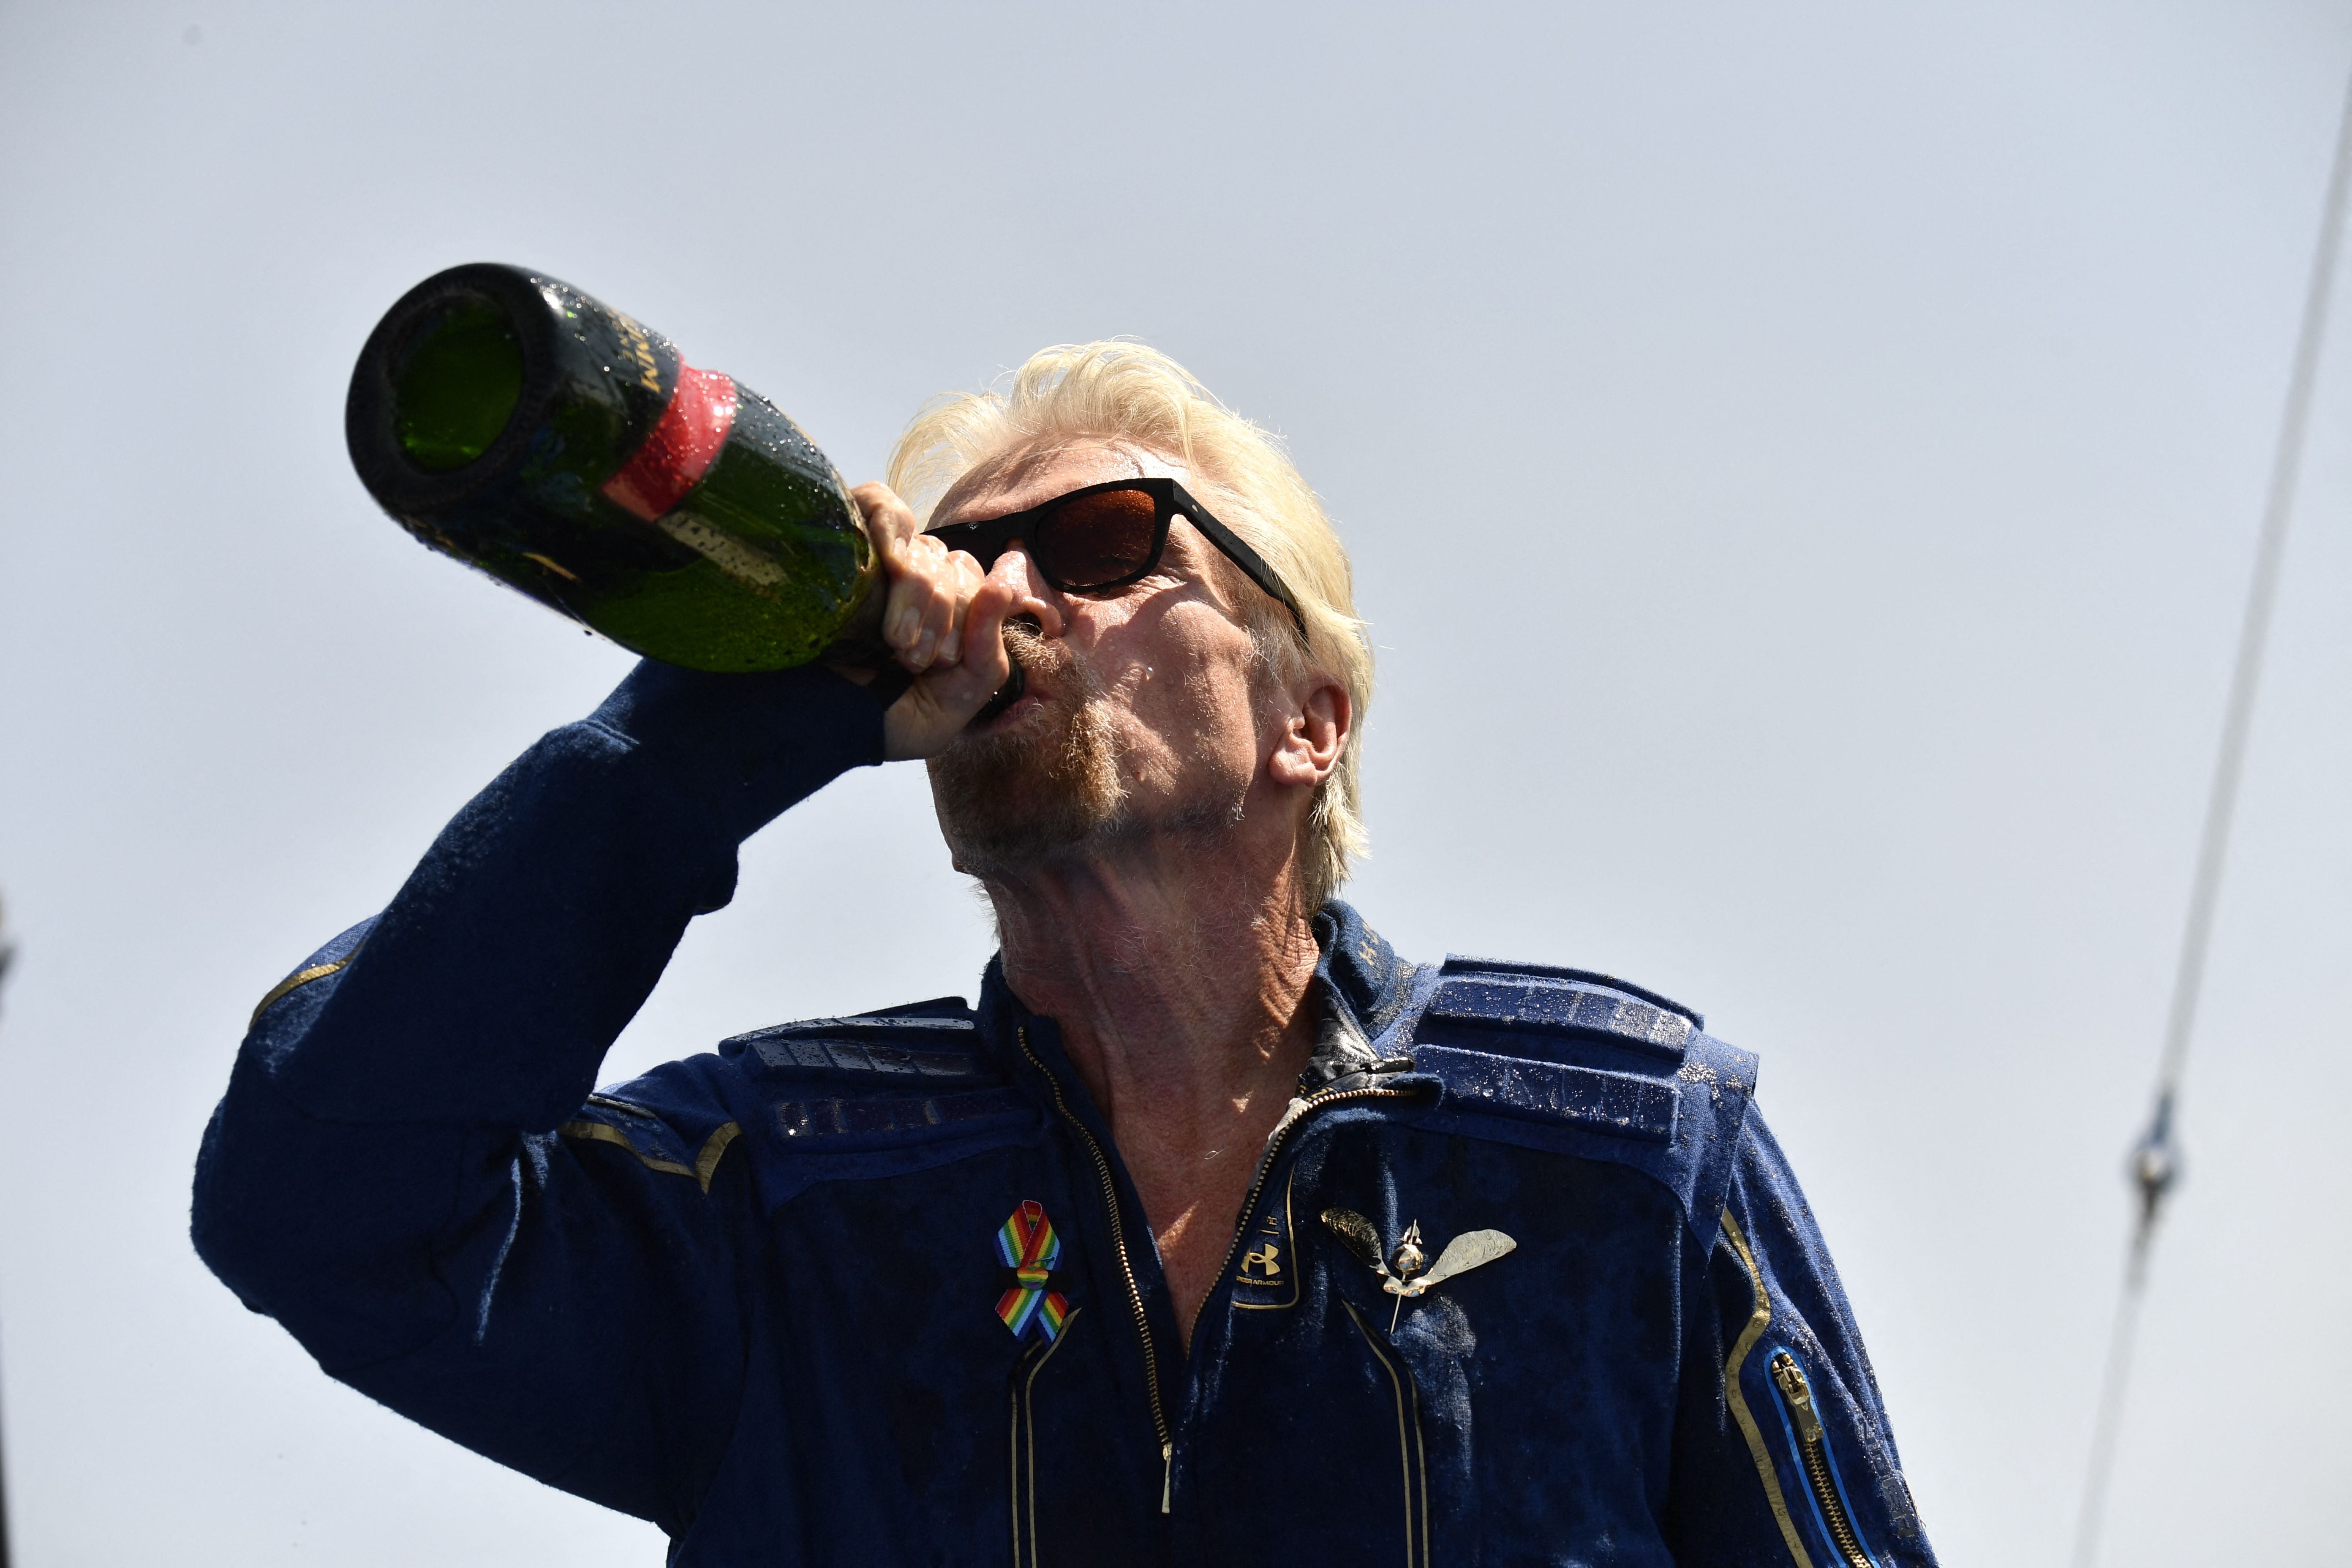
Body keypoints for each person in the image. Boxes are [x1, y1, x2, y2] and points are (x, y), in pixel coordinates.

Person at [193, 341, 1938, 1566]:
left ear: (1308, 720)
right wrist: (688, 754)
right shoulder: (788, 1191)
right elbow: (315, 1204)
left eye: (1106, 545)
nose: (1012, 590)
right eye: (964, 554)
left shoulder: (1619, 1145)